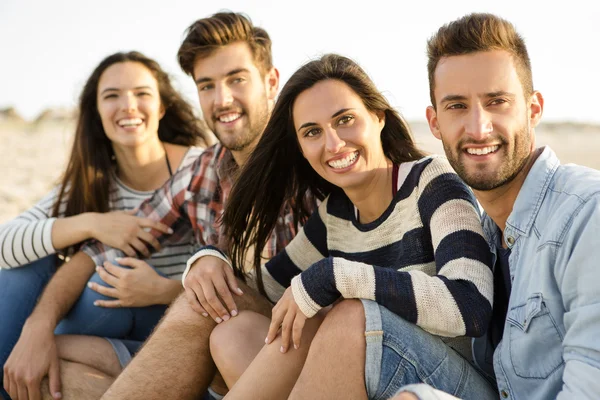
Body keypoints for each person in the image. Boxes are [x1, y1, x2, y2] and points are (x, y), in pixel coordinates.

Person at [203, 53, 497, 400]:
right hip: (367, 381)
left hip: (450, 387)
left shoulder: (431, 181)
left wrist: (335, 276)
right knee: (234, 333)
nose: (333, 144)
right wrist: (208, 260)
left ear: (378, 117)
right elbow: (263, 292)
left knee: (349, 320)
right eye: (312, 132)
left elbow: (471, 306)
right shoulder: (334, 216)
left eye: (345, 119)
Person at [89, 12, 311, 400]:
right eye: (207, 86)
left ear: (271, 81)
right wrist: (39, 326)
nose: (221, 99)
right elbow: (127, 234)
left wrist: (194, 275)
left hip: (307, 349)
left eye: (236, 80)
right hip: (234, 355)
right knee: (58, 365)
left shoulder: (310, 155)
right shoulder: (206, 169)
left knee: (208, 301)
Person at [391, 12, 600, 400]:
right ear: (435, 123)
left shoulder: (588, 215)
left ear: (533, 109)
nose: (478, 127)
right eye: (457, 106)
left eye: (497, 102)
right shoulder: (481, 239)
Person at [1, 51, 212, 400]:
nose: (128, 106)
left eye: (141, 93)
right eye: (112, 96)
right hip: (105, 336)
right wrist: (92, 224)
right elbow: (4, 245)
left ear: (161, 107)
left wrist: (162, 288)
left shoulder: (199, 169)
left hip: (178, 328)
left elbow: (238, 278)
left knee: (101, 280)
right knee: (24, 265)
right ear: (97, 114)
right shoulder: (93, 182)